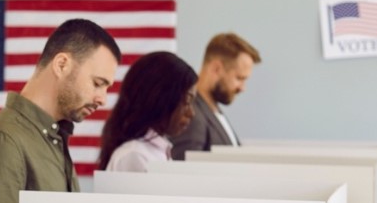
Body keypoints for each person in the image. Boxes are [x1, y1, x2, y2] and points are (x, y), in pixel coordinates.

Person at [0, 18, 121, 203]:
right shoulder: (2, 140)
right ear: (61, 65)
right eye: (98, 83)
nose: (102, 99)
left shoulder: (52, 139)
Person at [97, 51, 197, 172]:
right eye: (187, 101)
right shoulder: (134, 156)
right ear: (160, 98)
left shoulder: (156, 151)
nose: (191, 113)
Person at [170, 32, 261, 160]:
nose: (243, 88)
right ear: (216, 68)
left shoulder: (212, 110)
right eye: (239, 78)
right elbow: (185, 173)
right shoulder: (191, 115)